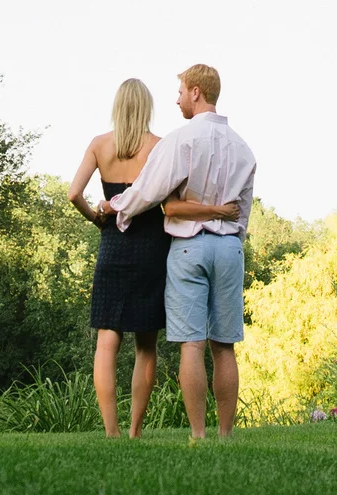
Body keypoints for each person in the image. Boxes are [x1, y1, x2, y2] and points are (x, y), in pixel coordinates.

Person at [104, 63, 256, 440]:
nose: (176, 100)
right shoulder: (243, 148)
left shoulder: (181, 140)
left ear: (196, 92)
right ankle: (225, 435)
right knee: (225, 346)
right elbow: (244, 210)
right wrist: (231, 238)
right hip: (229, 248)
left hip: (190, 247)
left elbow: (149, 190)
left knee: (192, 342)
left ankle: (198, 435)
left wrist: (117, 207)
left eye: (180, 92)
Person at [67, 78, 168, 437]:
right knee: (146, 343)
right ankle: (135, 431)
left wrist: (97, 219)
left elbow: (74, 193)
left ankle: (110, 431)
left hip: (112, 245)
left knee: (107, 341)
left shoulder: (99, 145)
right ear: (146, 107)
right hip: (151, 247)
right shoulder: (159, 146)